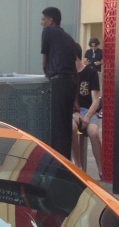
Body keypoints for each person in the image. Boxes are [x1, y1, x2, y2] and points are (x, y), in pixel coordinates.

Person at [40, 7, 77, 159]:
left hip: (58, 82)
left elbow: (45, 60)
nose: (41, 23)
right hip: (70, 83)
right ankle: (66, 162)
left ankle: (58, 164)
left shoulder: (48, 32)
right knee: (66, 126)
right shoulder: (69, 38)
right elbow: (74, 68)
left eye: (43, 19)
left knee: (57, 126)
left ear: (51, 20)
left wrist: (47, 75)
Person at [72, 42, 103, 178]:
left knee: (94, 132)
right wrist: (75, 113)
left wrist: (87, 117)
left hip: (88, 110)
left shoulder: (90, 73)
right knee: (72, 128)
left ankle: (101, 170)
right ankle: (78, 166)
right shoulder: (68, 74)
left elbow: (96, 100)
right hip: (73, 111)